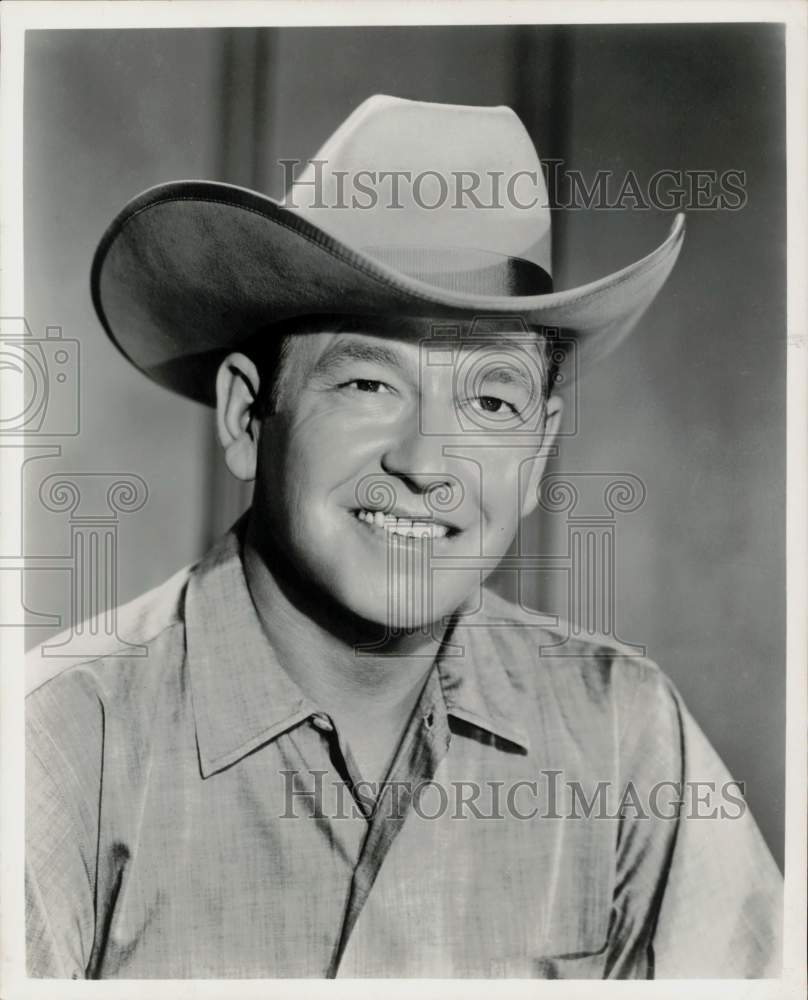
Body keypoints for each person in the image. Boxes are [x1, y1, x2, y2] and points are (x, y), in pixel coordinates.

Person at [25, 95, 781, 979]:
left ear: (536, 455)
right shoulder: (62, 746)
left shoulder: (623, 733)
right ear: (246, 413)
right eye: (368, 385)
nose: (428, 463)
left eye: (491, 402)